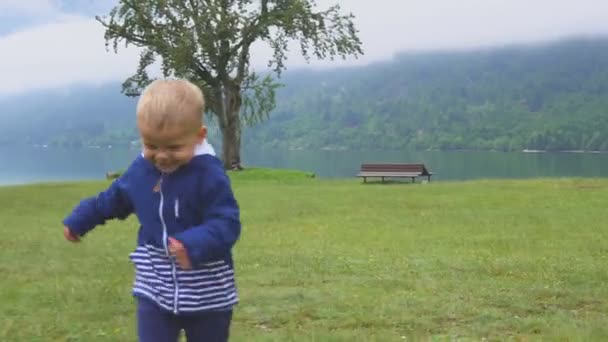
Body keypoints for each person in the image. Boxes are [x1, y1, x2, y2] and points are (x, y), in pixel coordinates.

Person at [63, 79, 241, 342]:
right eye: (151, 145)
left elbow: (227, 223)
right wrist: (82, 218)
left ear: (199, 136)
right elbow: (113, 199)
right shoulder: (141, 172)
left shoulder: (209, 174)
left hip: (207, 294)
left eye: (174, 147)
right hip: (154, 288)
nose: (161, 156)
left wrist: (191, 244)